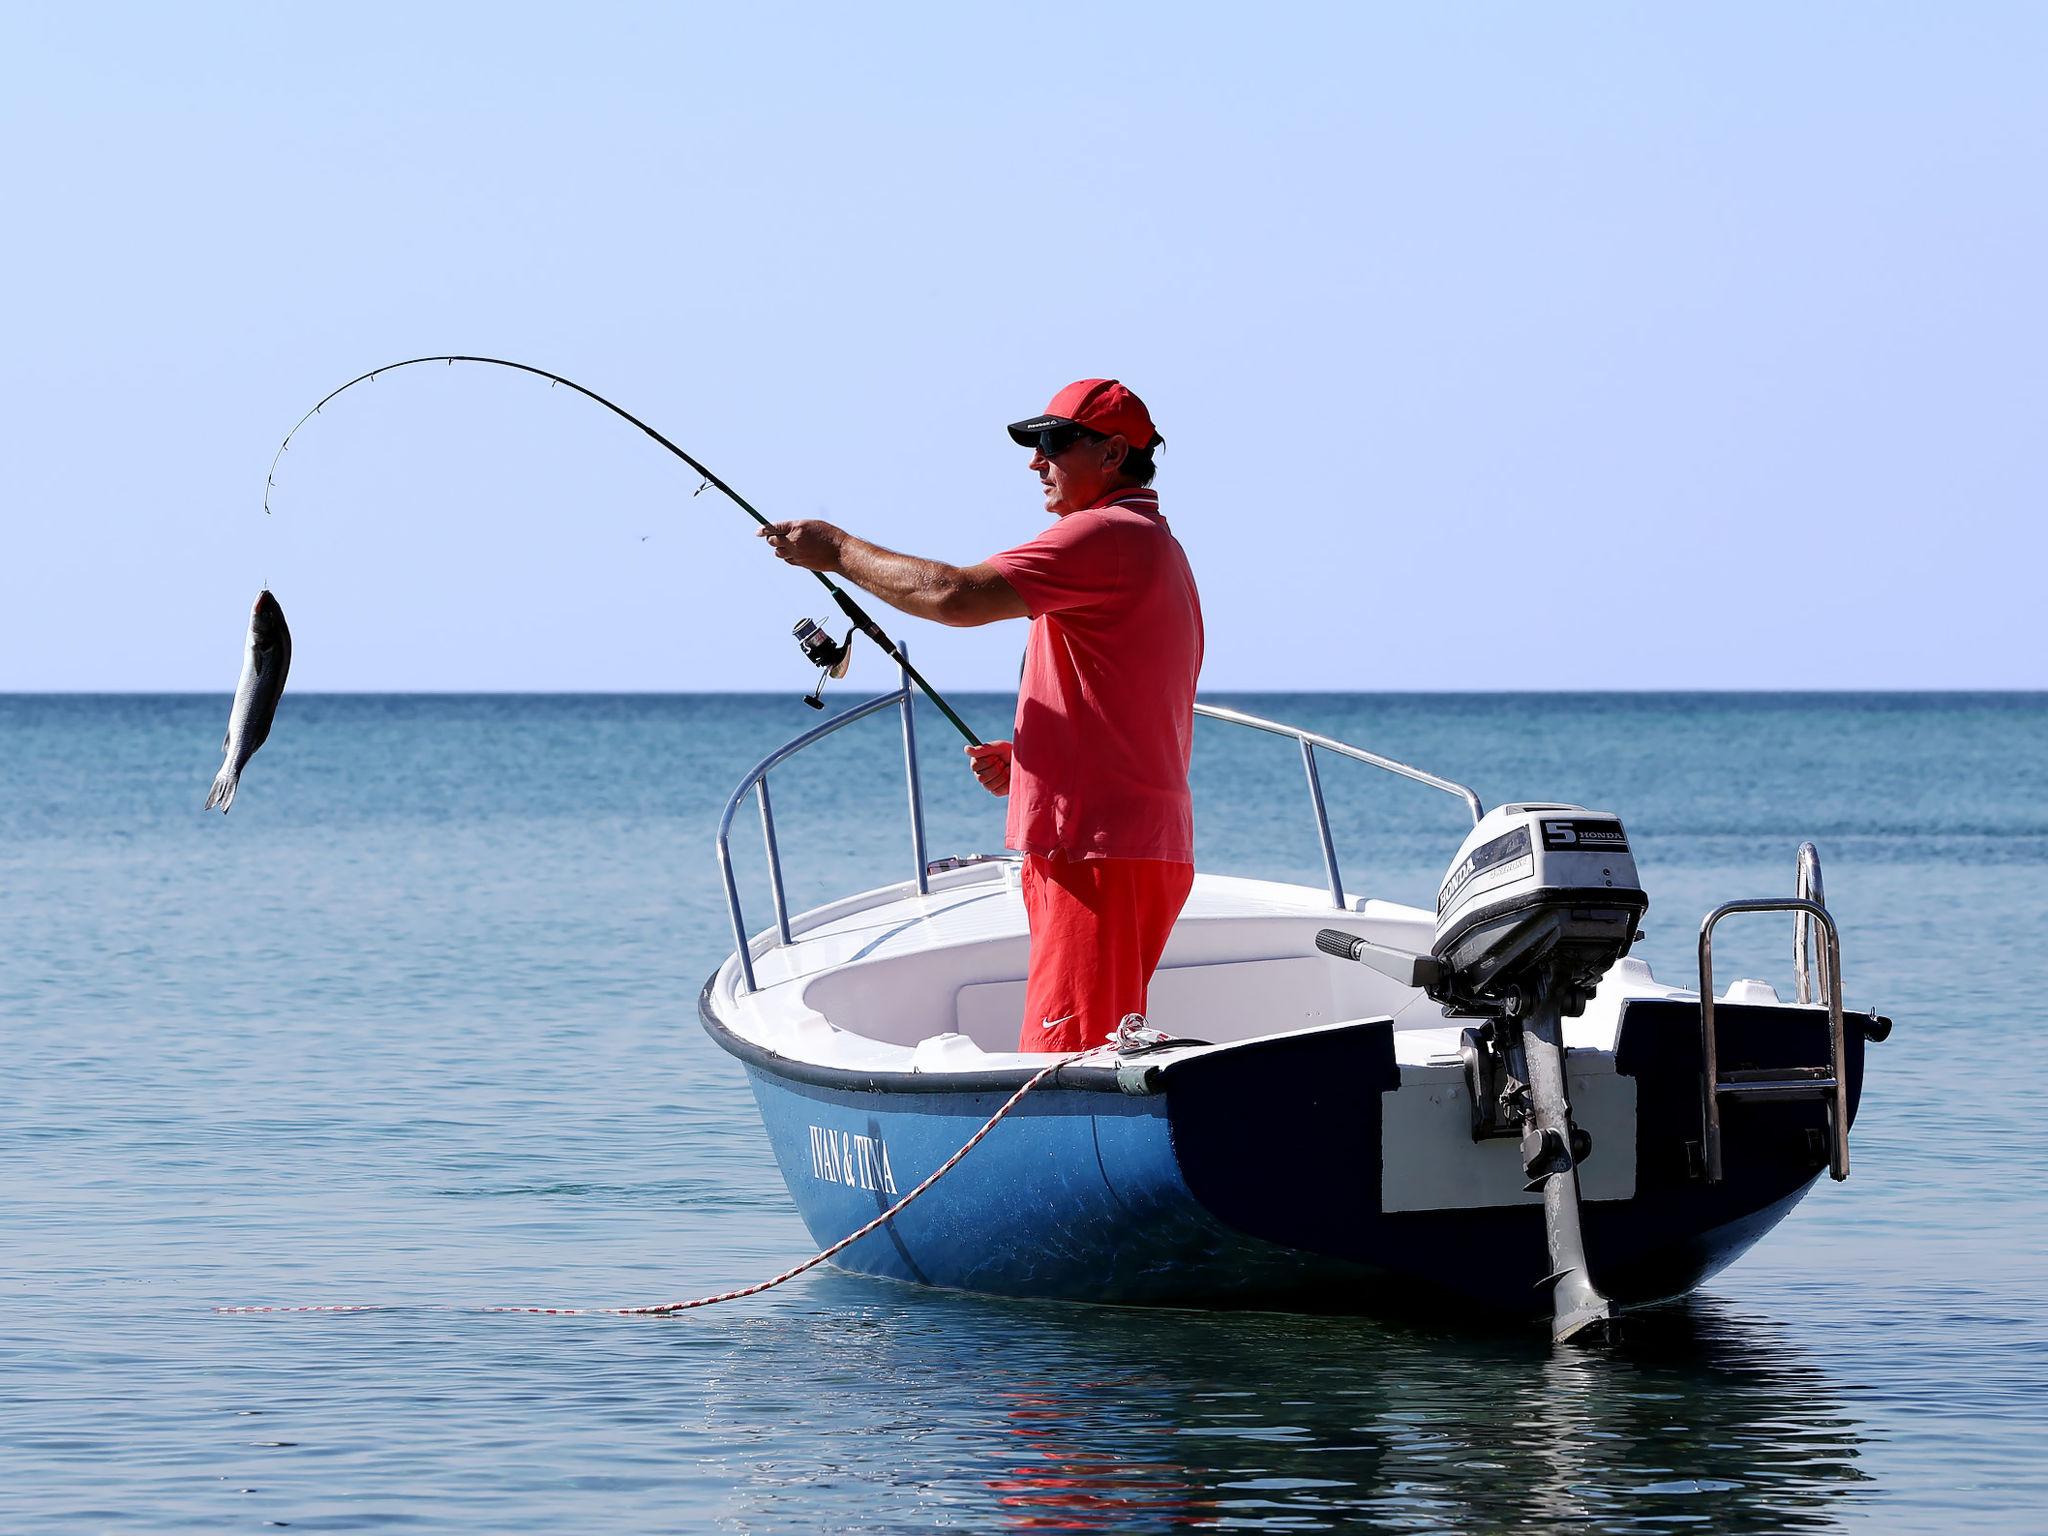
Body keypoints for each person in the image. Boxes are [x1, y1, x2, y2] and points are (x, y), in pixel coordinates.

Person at [760, 379, 1203, 1053]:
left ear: (1113, 453)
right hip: (1128, 843)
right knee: (1098, 1047)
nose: (1036, 462)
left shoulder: (1104, 537)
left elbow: (953, 595)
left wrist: (838, 551)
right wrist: (1032, 764)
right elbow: (1125, 702)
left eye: (1052, 444)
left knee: (1067, 1063)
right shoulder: (1154, 545)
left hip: (1094, 850)